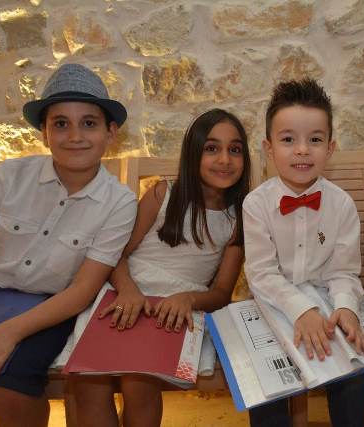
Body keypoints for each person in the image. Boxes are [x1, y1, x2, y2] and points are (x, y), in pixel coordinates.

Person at [0, 63, 137, 427]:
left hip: (52, 306)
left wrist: (5, 334)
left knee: (8, 390)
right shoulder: (9, 177)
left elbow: (82, 291)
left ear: (110, 132)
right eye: (60, 123)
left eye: (89, 123)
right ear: (44, 133)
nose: (75, 136)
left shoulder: (119, 202)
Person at [61, 109, 251, 427]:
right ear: (193, 153)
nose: (224, 159)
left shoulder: (237, 218)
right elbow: (115, 254)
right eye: (212, 148)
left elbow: (221, 293)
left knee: (139, 382)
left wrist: (188, 299)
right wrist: (128, 290)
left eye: (235, 149)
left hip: (177, 308)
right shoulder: (163, 195)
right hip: (124, 293)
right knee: (90, 381)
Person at [243, 79, 364, 427]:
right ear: (269, 149)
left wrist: (346, 308)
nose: (302, 150)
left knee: (354, 372)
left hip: (325, 302)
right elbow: (261, 273)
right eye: (288, 140)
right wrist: (301, 310)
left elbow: (343, 272)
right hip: (272, 303)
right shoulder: (256, 204)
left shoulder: (341, 204)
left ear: (330, 148)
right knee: (268, 379)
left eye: (314, 140)